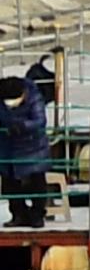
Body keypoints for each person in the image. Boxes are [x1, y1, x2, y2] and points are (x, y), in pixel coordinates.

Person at [0, 72, 48, 229]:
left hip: (33, 146)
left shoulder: (34, 96)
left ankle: (37, 215)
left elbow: (40, 121)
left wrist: (22, 125)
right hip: (8, 146)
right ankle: (18, 214)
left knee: (37, 182)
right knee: (9, 183)